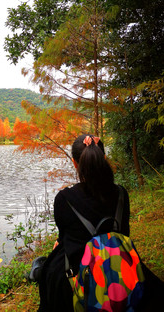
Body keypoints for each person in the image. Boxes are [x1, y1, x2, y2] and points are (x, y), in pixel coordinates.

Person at [37, 134, 131, 312]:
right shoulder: (121, 194)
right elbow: (124, 234)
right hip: (117, 264)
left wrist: (61, 242)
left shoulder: (64, 198)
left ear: (74, 163)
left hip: (80, 271)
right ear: (103, 159)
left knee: (50, 270)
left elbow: (66, 237)